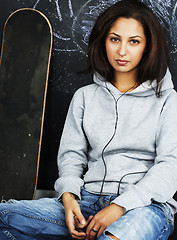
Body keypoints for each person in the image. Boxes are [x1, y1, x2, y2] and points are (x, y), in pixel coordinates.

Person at [0, 0, 177, 239]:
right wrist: (69, 198)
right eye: (115, 39)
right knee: (4, 216)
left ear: (148, 46)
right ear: (103, 41)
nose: (122, 51)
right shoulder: (84, 97)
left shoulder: (168, 100)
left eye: (134, 41)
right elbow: (71, 157)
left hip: (145, 207)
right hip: (88, 203)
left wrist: (118, 207)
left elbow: (170, 167)